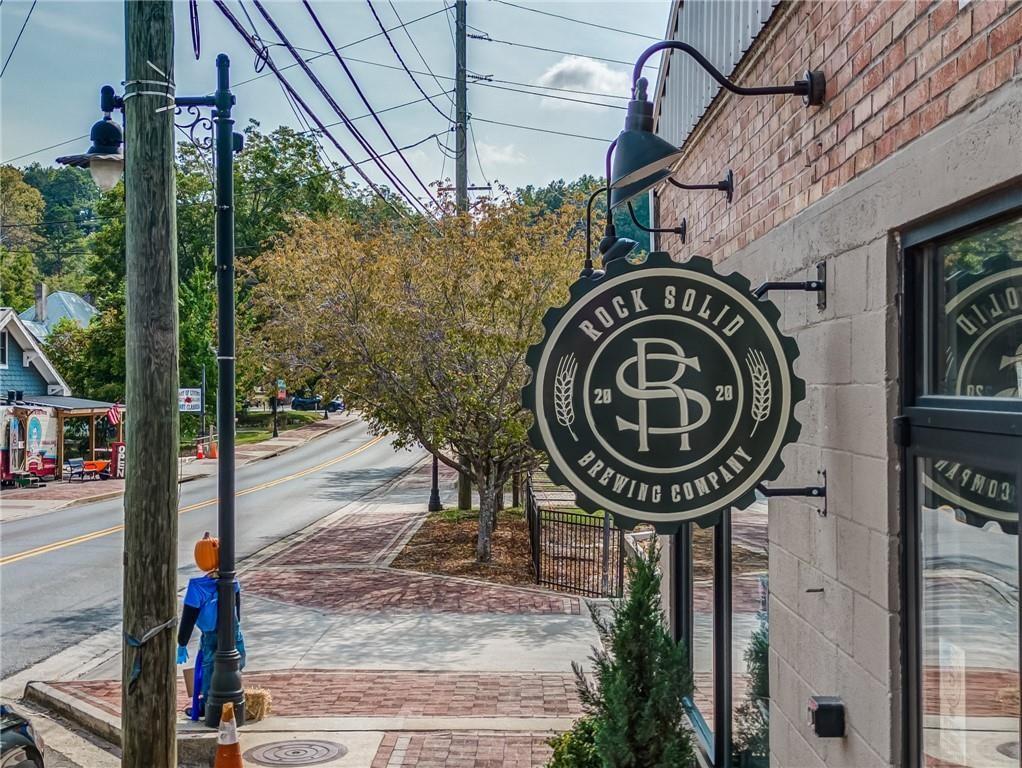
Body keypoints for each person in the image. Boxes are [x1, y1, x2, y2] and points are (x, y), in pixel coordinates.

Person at [176, 531, 246, 720]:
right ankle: (230, 699)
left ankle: (209, 706)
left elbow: (188, 618)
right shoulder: (231, 580)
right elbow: (237, 608)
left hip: (211, 634)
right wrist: (235, 626)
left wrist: (181, 643)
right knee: (236, 663)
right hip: (233, 631)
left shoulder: (197, 588)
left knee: (208, 668)